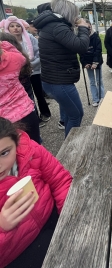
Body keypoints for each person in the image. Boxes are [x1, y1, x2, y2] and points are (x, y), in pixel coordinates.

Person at [0, 117, 72, 267]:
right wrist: (2, 227)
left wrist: (69, 218)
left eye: (4, 153)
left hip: (54, 220)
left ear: (16, 142)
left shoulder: (29, 151)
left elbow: (59, 180)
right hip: (18, 254)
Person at [33, 0, 90, 137]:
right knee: (76, 115)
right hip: (59, 81)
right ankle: (70, 149)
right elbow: (81, 46)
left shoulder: (52, 26)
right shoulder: (57, 27)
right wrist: (83, 27)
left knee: (74, 113)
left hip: (55, 79)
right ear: (68, 13)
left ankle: (69, 143)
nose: (76, 17)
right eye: (75, 14)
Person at [0, 16, 51, 124]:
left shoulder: (29, 37)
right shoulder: (6, 41)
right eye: (12, 26)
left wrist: (30, 65)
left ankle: (45, 112)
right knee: (27, 94)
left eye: (18, 26)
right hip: (20, 73)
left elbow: (39, 53)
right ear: (7, 28)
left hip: (34, 69)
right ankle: (34, 116)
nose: (15, 28)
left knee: (39, 92)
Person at [0, 41, 40, 144]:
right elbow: (22, 58)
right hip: (25, 111)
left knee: (11, 154)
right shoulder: (14, 59)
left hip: (4, 121)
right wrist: (5, 44)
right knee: (34, 146)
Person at [79, 19, 104, 107]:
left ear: (90, 26)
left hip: (96, 61)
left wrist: (95, 62)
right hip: (88, 62)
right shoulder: (81, 37)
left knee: (99, 80)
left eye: (89, 27)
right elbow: (80, 52)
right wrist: (84, 63)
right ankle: (95, 99)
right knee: (92, 81)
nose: (88, 30)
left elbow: (98, 50)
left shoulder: (95, 36)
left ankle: (102, 98)